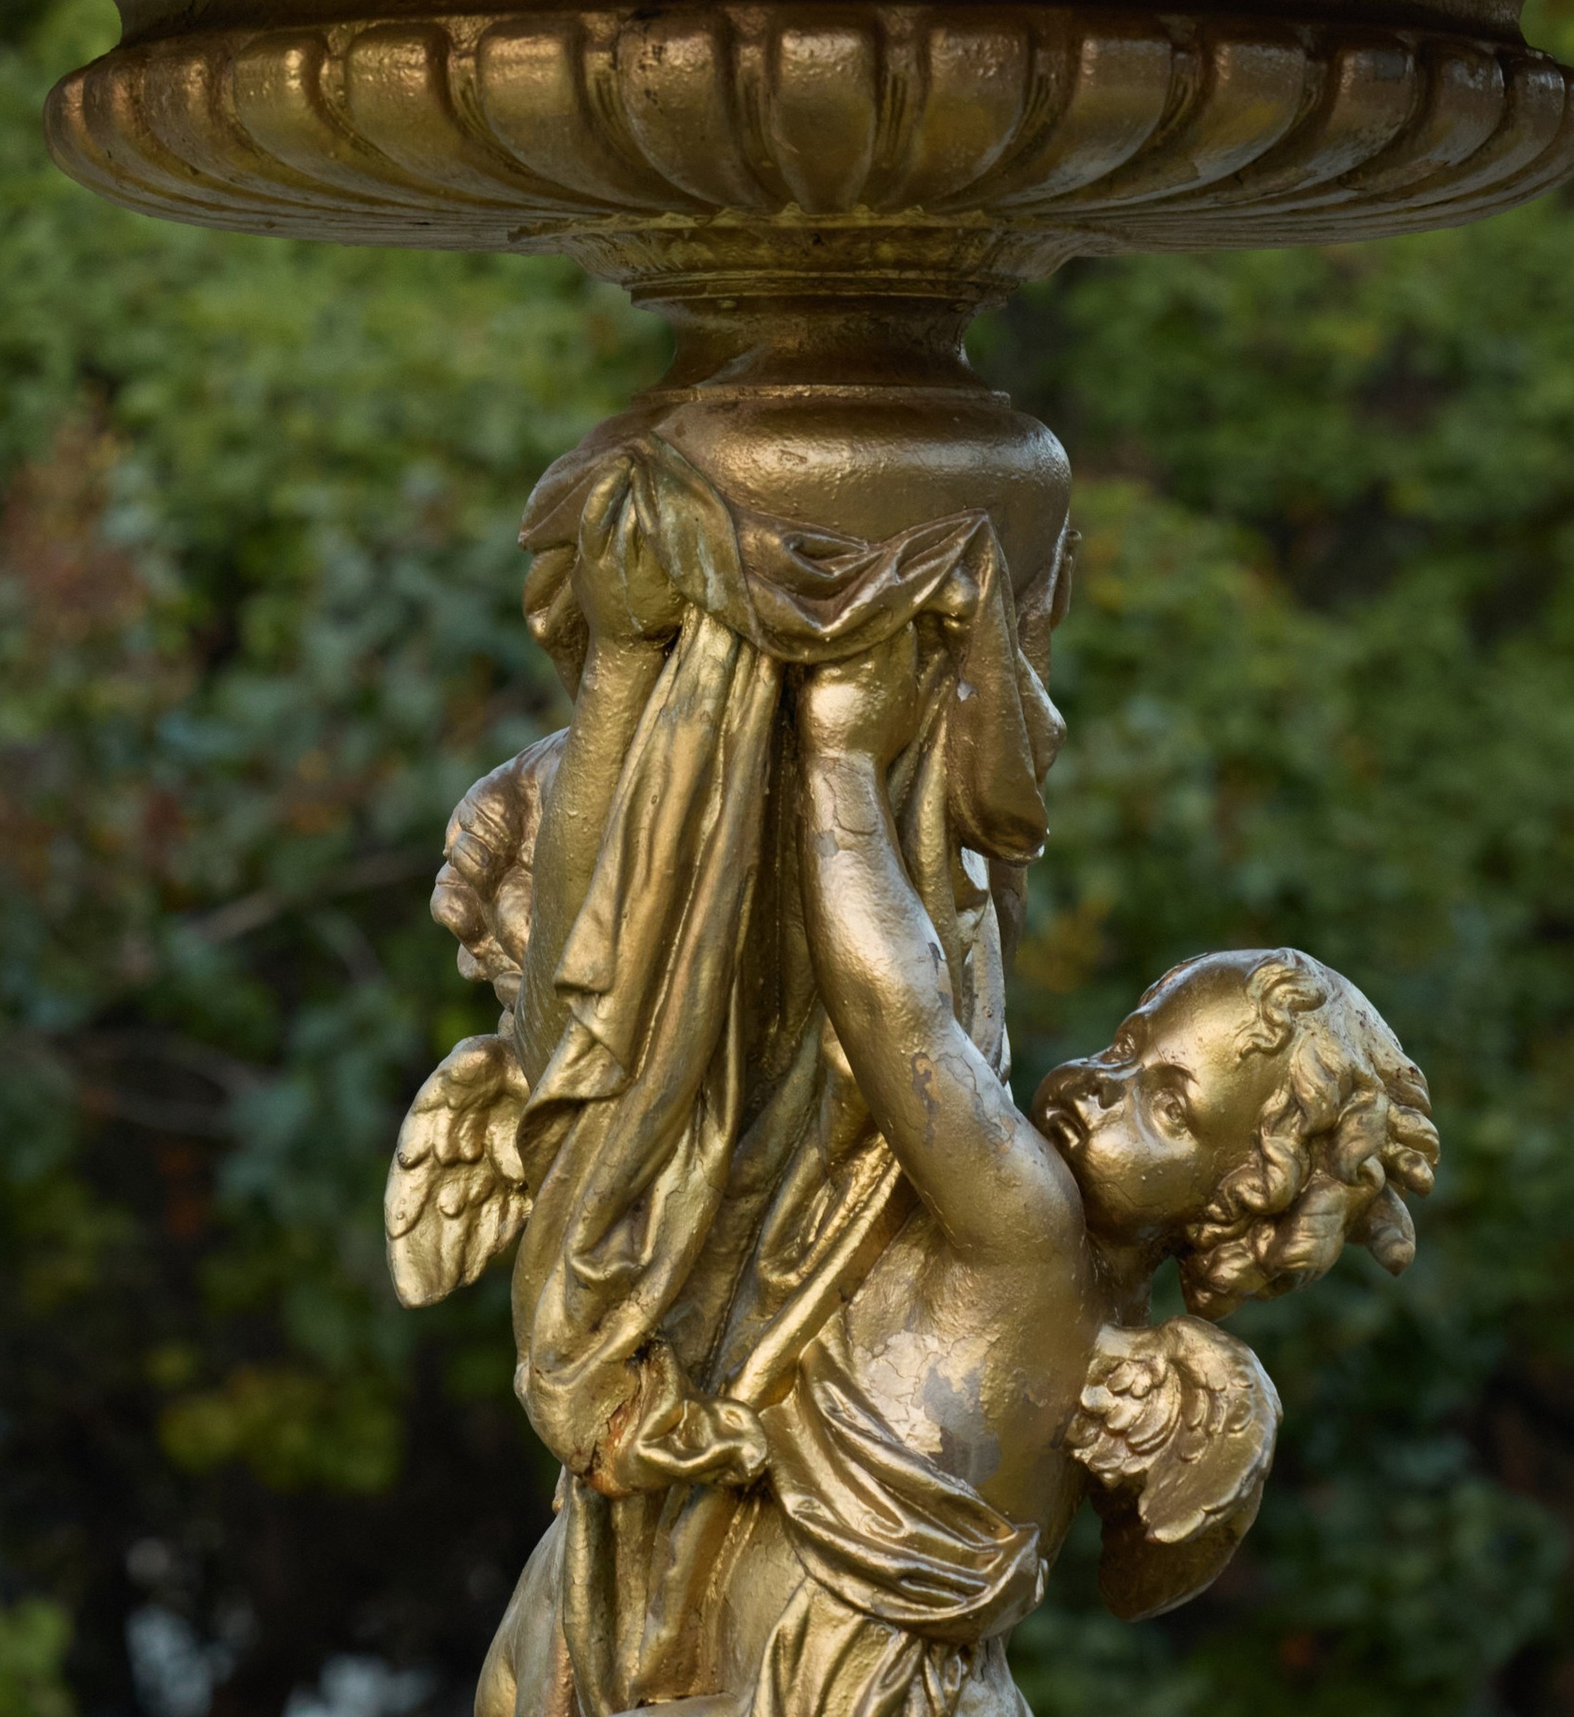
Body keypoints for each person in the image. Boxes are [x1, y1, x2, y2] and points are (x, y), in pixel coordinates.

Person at [530, 612, 1440, 1717]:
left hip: (800, 1675)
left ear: (1232, 1203)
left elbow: (900, 1018)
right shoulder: (1097, 1319)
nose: (1093, 1088)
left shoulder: (1027, 1229)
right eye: (1123, 1046)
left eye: (1161, 1104)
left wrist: (842, 759)